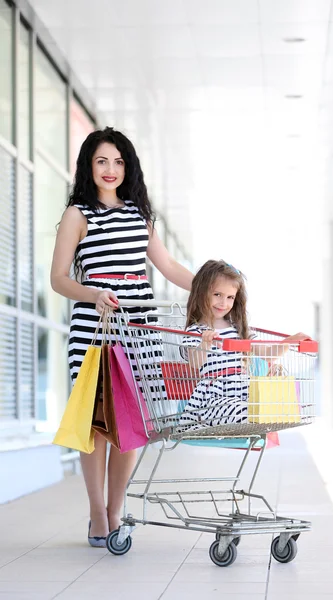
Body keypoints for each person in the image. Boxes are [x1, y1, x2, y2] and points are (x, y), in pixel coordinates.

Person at [50, 127, 193, 547]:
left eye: (117, 161)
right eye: (101, 161)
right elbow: (58, 279)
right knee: (95, 427)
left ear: (127, 167)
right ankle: (98, 515)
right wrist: (94, 293)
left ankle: (116, 511)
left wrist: (216, 283)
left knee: (130, 424)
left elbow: (167, 266)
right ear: (88, 167)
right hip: (94, 327)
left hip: (139, 327)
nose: (110, 170)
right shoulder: (78, 214)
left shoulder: (139, 215)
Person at [178, 260, 308, 430]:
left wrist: (288, 342)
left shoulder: (239, 330)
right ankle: (253, 419)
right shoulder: (196, 331)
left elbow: (268, 353)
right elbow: (195, 362)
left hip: (243, 390)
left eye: (230, 297)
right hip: (215, 399)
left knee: (277, 407)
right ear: (202, 293)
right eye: (217, 294)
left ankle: (262, 417)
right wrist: (204, 343)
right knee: (246, 412)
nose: (223, 303)